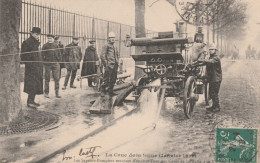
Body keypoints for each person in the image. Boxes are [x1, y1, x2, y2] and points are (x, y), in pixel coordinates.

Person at [21, 27, 43, 109]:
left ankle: (32, 100)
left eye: (38, 34)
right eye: (36, 34)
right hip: (31, 68)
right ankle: (29, 102)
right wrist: (30, 64)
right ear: (32, 33)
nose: (37, 36)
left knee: (36, 84)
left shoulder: (35, 42)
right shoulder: (26, 42)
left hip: (36, 66)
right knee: (31, 84)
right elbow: (23, 56)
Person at [198, 44, 222, 112]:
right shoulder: (210, 58)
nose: (211, 51)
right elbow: (205, 63)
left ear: (215, 50)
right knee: (211, 93)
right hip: (212, 79)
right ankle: (213, 106)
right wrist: (197, 63)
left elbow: (211, 62)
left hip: (216, 79)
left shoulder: (216, 58)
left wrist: (202, 60)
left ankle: (217, 107)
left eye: (212, 49)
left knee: (214, 93)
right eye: (210, 50)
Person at [42, 34, 61, 98]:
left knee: (56, 78)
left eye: (50, 38)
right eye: (48, 38)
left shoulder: (56, 45)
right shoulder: (45, 46)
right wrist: (44, 62)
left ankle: (57, 93)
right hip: (47, 64)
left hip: (55, 64)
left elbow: (59, 54)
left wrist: (58, 62)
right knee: (47, 78)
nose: (49, 39)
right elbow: (42, 55)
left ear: (53, 39)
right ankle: (46, 92)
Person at [100, 32, 120, 96]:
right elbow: (102, 56)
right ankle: (102, 91)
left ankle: (111, 91)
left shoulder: (115, 46)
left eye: (114, 38)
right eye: (111, 38)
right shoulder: (106, 46)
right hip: (109, 65)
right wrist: (106, 64)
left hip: (115, 65)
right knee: (106, 78)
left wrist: (117, 61)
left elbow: (117, 55)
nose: (113, 39)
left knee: (113, 78)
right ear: (108, 39)